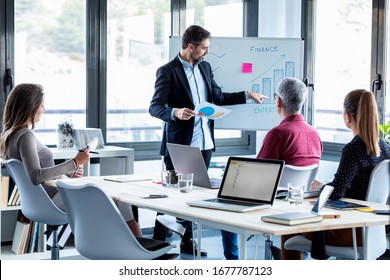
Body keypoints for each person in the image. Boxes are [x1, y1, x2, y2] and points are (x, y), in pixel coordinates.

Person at [149, 25, 266, 257]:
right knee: (173, 195)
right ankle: (157, 244)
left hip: (205, 142)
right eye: (204, 48)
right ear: (190, 47)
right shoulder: (167, 71)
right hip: (180, 145)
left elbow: (218, 96)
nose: (206, 52)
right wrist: (175, 112)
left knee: (197, 195)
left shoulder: (205, 67)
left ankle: (187, 241)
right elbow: (155, 107)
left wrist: (247, 95)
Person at [0, 83, 143, 237]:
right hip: (53, 200)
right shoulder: (25, 135)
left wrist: (68, 174)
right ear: (30, 106)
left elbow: (39, 176)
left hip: (45, 199)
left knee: (116, 198)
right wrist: (75, 162)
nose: (44, 109)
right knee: (122, 200)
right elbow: (36, 176)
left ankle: (134, 247)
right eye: (41, 105)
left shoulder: (10, 136)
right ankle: (139, 247)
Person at [220, 77, 323, 259]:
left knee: (225, 205)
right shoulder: (315, 134)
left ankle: (233, 260)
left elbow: (257, 173)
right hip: (299, 202)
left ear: (279, 101)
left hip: (272, 201)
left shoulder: (278, 133)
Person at [282, 89, 390, 260]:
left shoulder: (353, 149)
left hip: (350, 230)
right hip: (374, 229)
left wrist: (321, 187)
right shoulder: (384, 147)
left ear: (347, 117)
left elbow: (337, 192)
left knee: (288, 224)